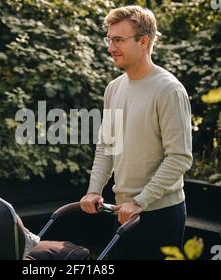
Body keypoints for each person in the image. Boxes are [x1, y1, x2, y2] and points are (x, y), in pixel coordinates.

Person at [80, 5, 193, 259]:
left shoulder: (169, 90)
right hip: (122, 211)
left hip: (161, 215)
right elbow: (107, 145)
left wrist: (141, 201)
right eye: (109, 39)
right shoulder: (114, 88)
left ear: (144, 41)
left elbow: (179, 157)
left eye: (118, 40)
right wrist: (94, 189)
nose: (110, 47)